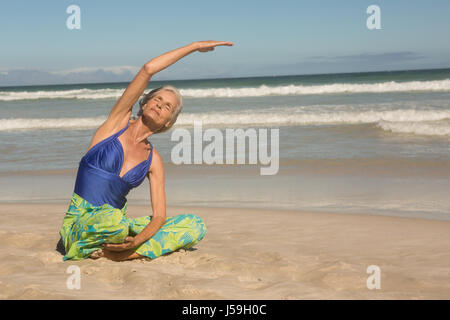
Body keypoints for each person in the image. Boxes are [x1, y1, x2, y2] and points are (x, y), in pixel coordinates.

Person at [59, 40, 234, 261]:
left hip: (117, 226)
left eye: (167, 106)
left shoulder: (154, 160)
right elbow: (148, 69)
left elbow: (159, 216)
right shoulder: (116, 123)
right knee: (113, 222)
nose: (160, 105)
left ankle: (122, 251)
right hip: (81, 223)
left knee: (194, 225)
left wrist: (139, 238)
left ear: (168, 123)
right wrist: (195, 46)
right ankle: (116, 251)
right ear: (144, 103)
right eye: (157, 99)